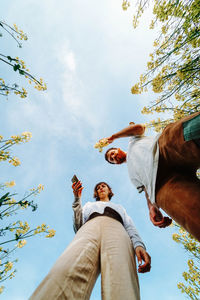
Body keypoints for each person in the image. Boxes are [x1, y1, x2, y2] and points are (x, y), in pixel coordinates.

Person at [29, 181, 151, 300]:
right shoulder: (89, 205)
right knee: (67, 268)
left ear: (110, 191)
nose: (101, 188)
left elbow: (130, 227)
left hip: (117, 228)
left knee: (121, 276)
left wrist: (139, 245)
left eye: (103, 186)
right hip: (90, 227)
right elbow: (78, 225)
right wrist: (77, 199)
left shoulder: (119, 208)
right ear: (96, 193)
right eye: (98, 188)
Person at [103, 112, 200, 241]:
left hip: (164, 149)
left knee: (187, 133)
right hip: (162, 186)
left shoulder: (132, 142)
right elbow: (147, 191)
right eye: (112, 159)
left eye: (113, 153)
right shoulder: (132, 176)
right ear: (115, 164)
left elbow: (139, 128)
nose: (114, 157)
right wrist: (151, 208)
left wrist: (114, 136)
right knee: (191, 213)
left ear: (119, 149)